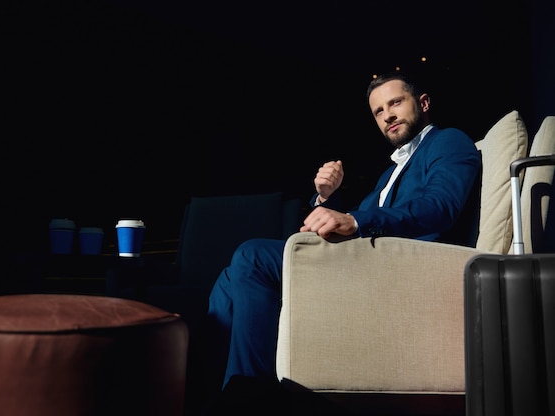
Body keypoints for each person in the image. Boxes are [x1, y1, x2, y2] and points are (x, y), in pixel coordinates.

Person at [204, 71, 482, 398]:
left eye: (395, 103)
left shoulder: (448, 141)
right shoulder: (391, 172)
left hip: (401, 271)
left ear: (423, 103)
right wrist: (327, 198)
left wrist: (355, 221)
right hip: (366, 262)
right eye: (378, 111)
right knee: (228, 278)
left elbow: (441, 206)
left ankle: (250, 398)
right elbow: (359, 215)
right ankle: (209, 395)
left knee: (252, 256)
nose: (387, 115)